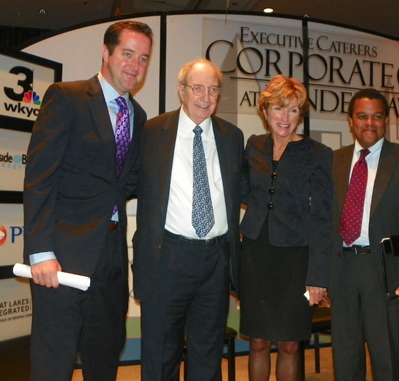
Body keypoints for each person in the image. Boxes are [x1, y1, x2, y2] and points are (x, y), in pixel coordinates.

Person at [23, 20, 153, 381]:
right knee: (54, 363)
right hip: (61, 259)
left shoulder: (138, 116)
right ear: (106, 52)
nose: (135, 65)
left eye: (143, 58)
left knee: (105, 358)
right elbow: (39, 178)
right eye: (128, 54)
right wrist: (41, 252)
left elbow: (123, 185)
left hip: (111, 259)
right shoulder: (67, 97)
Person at [132, 58, 244, 381]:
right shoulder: (152, 131)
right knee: (161, 356)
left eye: (213, 89)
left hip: (216, 263)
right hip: (167, 258)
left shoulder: (231, 137)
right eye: (198, 88)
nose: (205, 97)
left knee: (207, 357)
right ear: (181, 90)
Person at [330, 88, 399, 381]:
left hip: (389, 273)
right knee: (345, 356)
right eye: (362, 116)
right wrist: (319, 274)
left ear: (386, 120)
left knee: (387, 359)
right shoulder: (334, 161)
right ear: (351, 121)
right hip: (342, 270)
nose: (369, 123)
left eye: (376, 117)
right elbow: (323, 222)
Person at [239, 74, 333, 381]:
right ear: (265, 110)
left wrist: (318, 276)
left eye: (294, 110)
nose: (286, 118)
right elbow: (240, 190)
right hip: (256, 253)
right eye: (279, 108)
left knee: (291, 344)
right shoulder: (253, 145)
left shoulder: (318, 154)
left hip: (297, 259)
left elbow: (323, 218)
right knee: (258, 341)